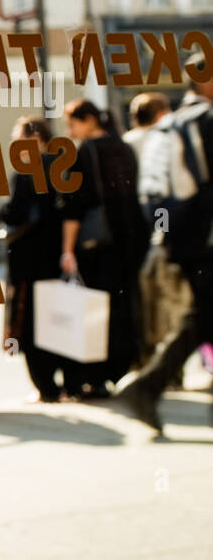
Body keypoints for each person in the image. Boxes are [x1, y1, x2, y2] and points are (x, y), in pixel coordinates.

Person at [116, 73, 213, 433]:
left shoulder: (169, 127)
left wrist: (169, 237)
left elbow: (152, 197)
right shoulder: (201, 122)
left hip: (184, 239)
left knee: (202, 317)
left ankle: (147, 387)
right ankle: (146, 386)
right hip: (205, 240)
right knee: (201, 318)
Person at [58, 99, 147, 397]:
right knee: (124, 306)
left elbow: (75, 206)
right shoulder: (123, 147)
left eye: (72, 123)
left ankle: (96, 377)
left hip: (97, 245)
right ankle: (123, 369)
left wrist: (67, 249)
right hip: (130, 239)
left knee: (95, 308)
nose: (69, 130)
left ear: (88, 120)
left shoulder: (84, 153)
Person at [0, 116, 66, 402]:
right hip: (59, 256)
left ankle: (46, 387)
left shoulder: (27, 171)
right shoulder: (63, 166)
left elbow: (14, 212)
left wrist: (0, 212)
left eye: (18, 138)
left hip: (30, 260)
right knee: (60, 321)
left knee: (33, 325)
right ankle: (69, 383)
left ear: (35, 139)